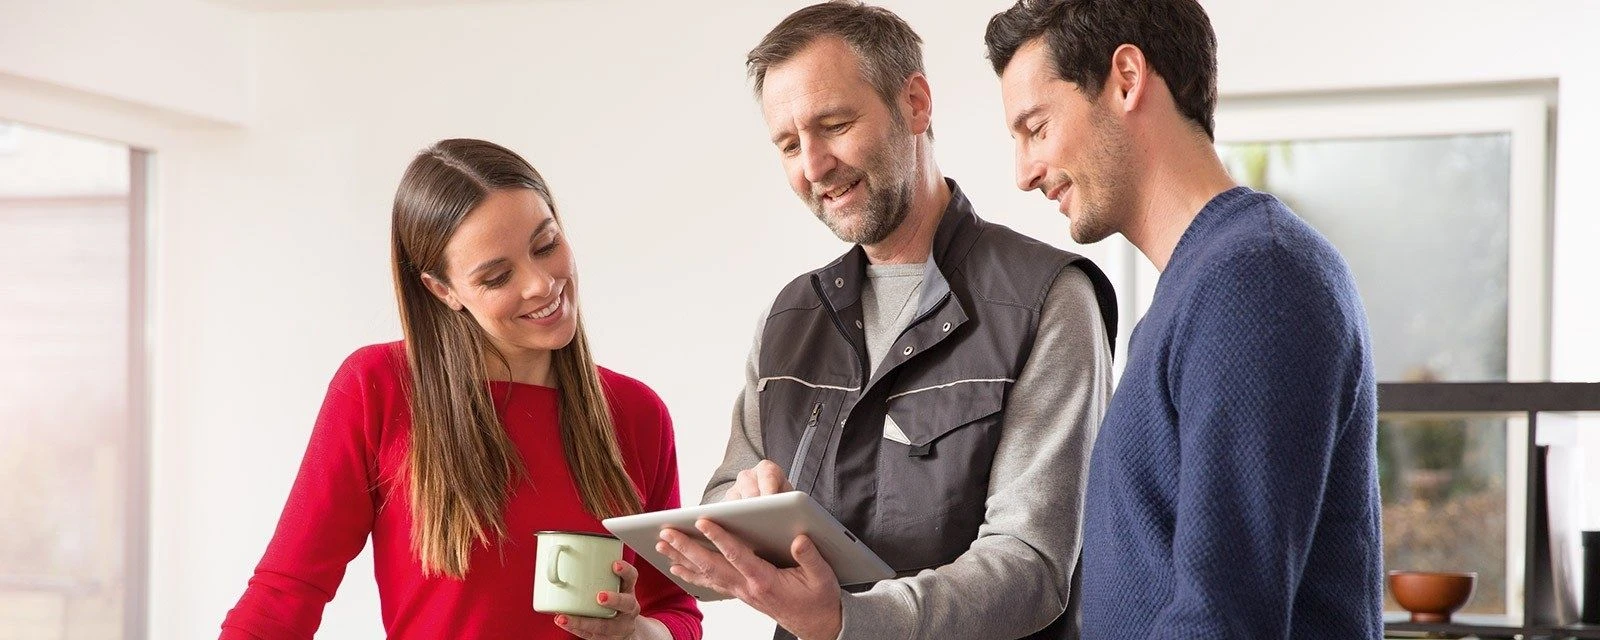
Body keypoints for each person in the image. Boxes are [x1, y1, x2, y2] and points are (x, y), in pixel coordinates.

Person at [655, 3, 1118, 639]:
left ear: (916, 104)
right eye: (789, 145)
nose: (813, 166)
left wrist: (848, 621)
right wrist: (743, 511)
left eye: (835, 126)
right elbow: (723, 500)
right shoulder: (788, 320)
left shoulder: (1047, 300)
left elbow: (1030, 567)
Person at [984, 1, 1384, 637]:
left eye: (1037, 128)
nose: (1024, 174)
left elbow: (1222, 620)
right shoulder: (1201, 288)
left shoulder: (1254, 278)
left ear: (1126, 79)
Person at [219, 139, 702, 640]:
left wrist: (636, 633)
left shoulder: (637, 413)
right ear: (442, 289)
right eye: (497, 276)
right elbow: (286, 594)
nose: (541, 284)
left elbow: (676, 609)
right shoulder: (378, 387)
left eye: (545, 245)